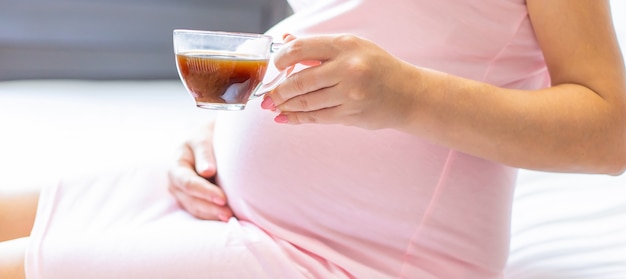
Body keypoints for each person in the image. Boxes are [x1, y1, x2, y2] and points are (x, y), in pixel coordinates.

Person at [1, 0, 625, 278]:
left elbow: (609, 133)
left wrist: (407, 95)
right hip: (224, 202)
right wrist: (212, 135)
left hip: (348, 257)